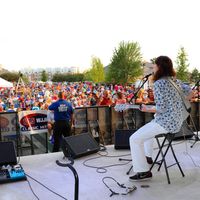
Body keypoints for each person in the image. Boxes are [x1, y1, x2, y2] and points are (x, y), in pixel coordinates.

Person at [129, 56, 193, 181]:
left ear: (159, 67)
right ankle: (147, 157)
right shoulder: (174, 80)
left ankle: (143, 172)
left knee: (134, 139)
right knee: (147, 131)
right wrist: (178, 103)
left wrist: (147, 109)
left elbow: (161, 108)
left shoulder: (158, 84)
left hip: (166, 123)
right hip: (177, 121)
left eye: (154, 65)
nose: (153, 67)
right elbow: (191, 93)